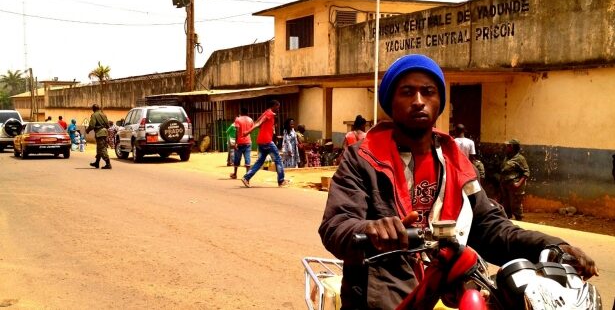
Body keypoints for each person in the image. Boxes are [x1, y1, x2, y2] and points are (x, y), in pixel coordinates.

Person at [318, 54, 598, 309]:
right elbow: (336, 225)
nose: (418, 100)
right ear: (391, 103)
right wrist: (372, 230)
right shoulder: (362, 159)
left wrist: (551, 245)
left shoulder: (456, 163)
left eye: (428, 91)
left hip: (452, 287)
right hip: (381, 293)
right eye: (407, 92)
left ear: (440, 101)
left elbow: (491, 227)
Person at [240, 99, 289, 187]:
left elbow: (258, 122)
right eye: (278, 106)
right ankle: (281, 181)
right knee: (278, 159)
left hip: (261, 141)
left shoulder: (266, 113)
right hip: (267, 141)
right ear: (274, 106)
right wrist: (248, 132)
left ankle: (246, 178)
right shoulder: (269, 114)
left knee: (260, 162)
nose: (278, 108)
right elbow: (259, 123)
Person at [500, 138, 530, 220]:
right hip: (505, 185)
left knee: (515, 206)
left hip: (514, 186)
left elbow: (526, 172)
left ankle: (519, 221)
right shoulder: (507, 157)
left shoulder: (520, 158)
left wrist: (518, 184)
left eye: (508, 146)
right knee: (506, 207)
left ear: (513, 147)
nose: (506, 147)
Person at [230, 107, 254, 179]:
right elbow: (252, 130)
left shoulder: (238, 119)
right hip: (248, 141)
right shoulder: (250, 120)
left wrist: (236, 142)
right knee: (247, 159)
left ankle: (235, 174)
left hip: (240, 142)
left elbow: (237, 131)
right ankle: (247, 176)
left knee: (237, 159)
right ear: (247, 112)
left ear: (241, 112)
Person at [85, 104, 111, 169]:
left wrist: (87, 130)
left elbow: (92, 125)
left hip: (99, 133)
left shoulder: (94, 115)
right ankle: (97, 163)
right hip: (105, 133)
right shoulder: (103, 114)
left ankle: (108, 163)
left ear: (93, 109)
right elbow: (108, 125)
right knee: (99, 148)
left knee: (102, 149)